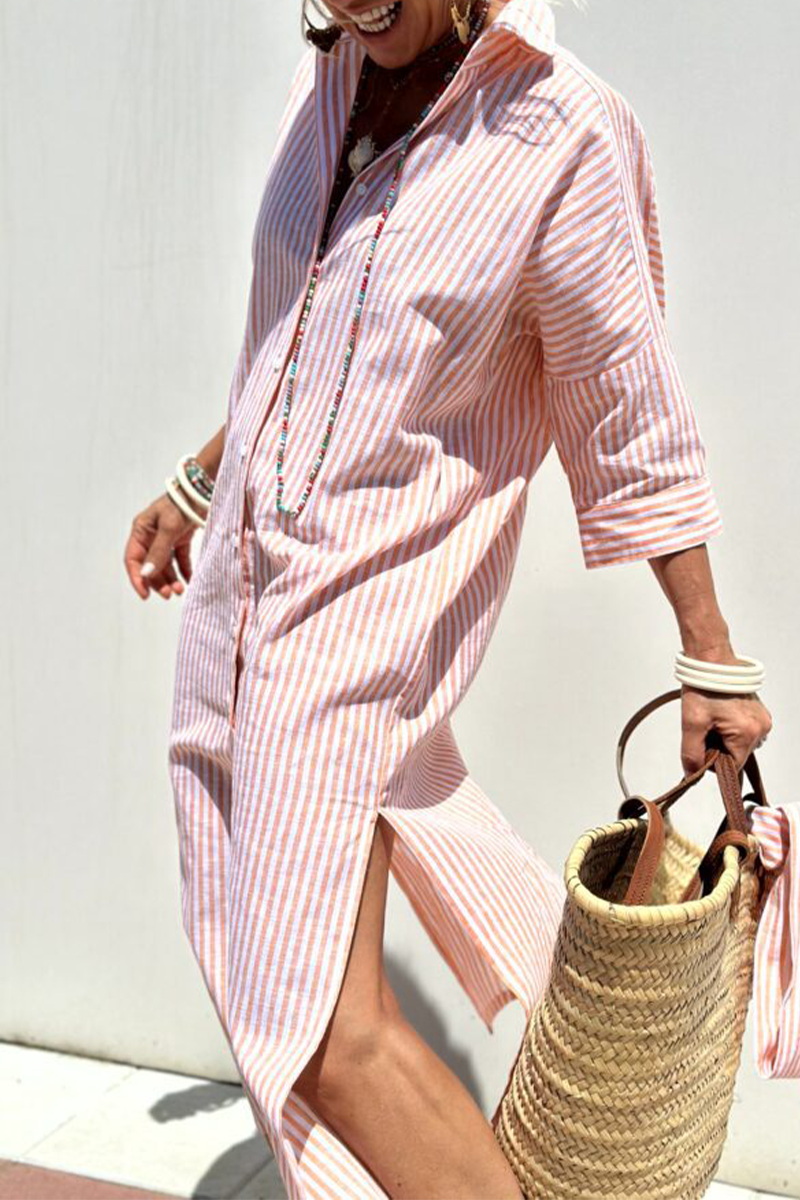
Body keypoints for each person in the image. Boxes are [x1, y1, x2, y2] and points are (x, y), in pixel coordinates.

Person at [123, 0, 773, 1195]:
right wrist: (202, 479)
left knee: (325, 1031)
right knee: (250, 962)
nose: (349, 5)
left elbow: (623, 400)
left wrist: (708, 652)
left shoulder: (559, 131)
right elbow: (302, 331)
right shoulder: (327, 87)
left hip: (357, 626)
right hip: (236, 600)